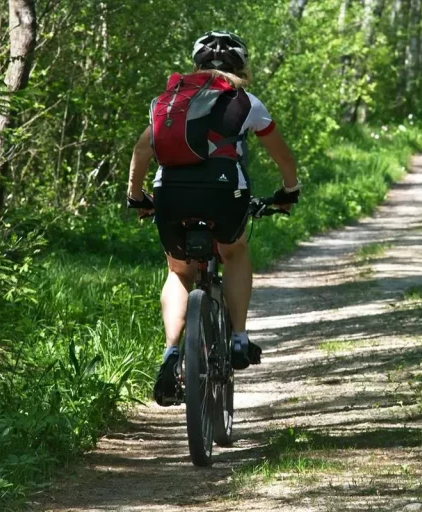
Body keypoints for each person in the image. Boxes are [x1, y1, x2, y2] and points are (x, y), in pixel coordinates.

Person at [126, 31, 301, 406]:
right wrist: (290, 191)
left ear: (196, 65)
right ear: (241, 67)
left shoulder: (170, 101)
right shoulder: (246, 102)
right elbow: (283, 158)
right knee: (234, 251)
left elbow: (142, 149)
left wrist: (136, 197)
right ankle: (238, 339)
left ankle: (171, 353)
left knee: (178, 272)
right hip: (225, 194)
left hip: (170, 194)